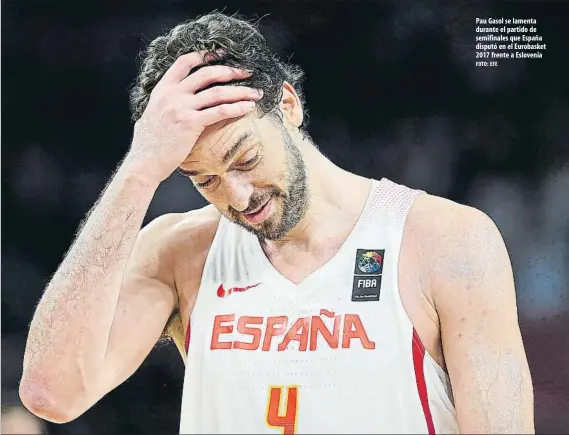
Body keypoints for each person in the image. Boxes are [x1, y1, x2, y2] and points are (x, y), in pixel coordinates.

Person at [19, 12, 534, 434]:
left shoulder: (444, 240)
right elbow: (51, 392)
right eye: (206, 180)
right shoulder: (181, 254)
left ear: (287, 104)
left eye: (244, 159)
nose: (239, 197)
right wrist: (137, 171)